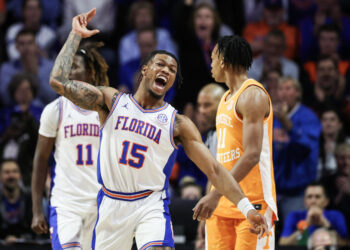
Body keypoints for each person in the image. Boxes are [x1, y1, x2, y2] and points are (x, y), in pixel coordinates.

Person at [49, 9, 268, 250]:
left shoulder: (178, 123)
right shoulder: (112, 101)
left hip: (150, 204)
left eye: (172, 70)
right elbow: (58, 82)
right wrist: (74, 36)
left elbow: (215, 170)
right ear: (145, 70)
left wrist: (247, 209)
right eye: (160, 64)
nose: (166, 70)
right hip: (111, 203)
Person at [193, 35, 278, 249]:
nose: (211, 65)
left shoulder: (252, 95)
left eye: (213, 59)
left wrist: (214, 194)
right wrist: (211, 195)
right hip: (220, 204)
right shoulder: (224, 98)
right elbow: (219, 160)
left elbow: (251, 155)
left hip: (252, 202)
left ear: (222, 60)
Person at [31, 41, 109, 250]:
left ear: (91, 72)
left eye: (74, 66)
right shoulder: (55, 110)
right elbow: (40, 159)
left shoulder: (108, 110)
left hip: (101, 203)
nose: (68, 72)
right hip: (66, 204)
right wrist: (37, 209)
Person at [279, 182, 348, 246]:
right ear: (304, 201)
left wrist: (326, 225)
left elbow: (346, 243)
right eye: (309, 197)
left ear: (326, 201)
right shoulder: (294, 216)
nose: (313, 201)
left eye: (317, 197)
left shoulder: (336, 215)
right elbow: (283, 243)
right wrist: (306, 225)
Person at [0, 159, 33, 244]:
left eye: (15, 171)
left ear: (20, 175)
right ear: (0, 176)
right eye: (7, 172)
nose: (11, 175)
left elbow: (37, 231)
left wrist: (20, 240)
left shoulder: (30, 198)